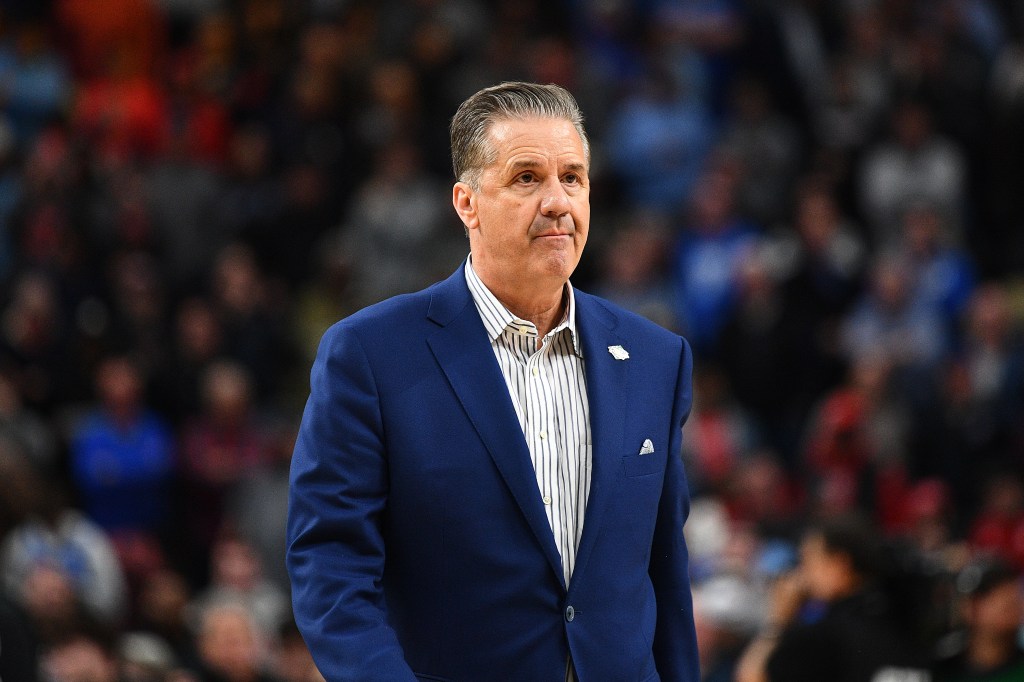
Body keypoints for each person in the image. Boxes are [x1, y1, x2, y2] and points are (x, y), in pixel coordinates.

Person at [287, 81, 699, 681]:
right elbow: (330, 565)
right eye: (527, 178)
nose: (558, 201)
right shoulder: (370, 354)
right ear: (467, 203)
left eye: (574, 177)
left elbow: (664, 569)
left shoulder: (656, 357)